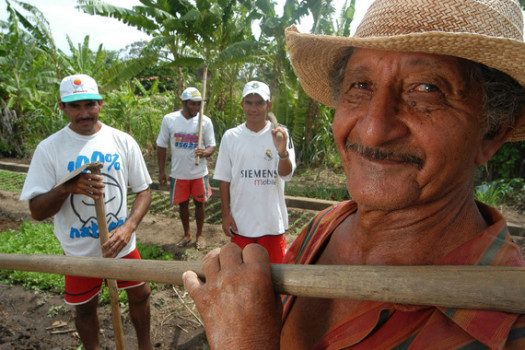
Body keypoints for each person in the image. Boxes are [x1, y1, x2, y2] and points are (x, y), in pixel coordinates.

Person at [182, 0, 525, 348]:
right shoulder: (325, 226)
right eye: (360, 85)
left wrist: (245, 341)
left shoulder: (507, 326)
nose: (374, 131)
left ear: (494, 130)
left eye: (426, 90)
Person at [20, 74, 153, 350]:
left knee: (141, 293)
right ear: (62, 108)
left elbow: (144, 190)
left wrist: (128, 227)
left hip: (121, 244)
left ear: (100, 104)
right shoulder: (49, 149)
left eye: (90, 105)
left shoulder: (122, 141)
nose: (84, 113)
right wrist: (65, 188)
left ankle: (145, 347)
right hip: (79, 248)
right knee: (85, 308)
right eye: (75, 106)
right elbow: (36, 211)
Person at [213, 81, 296, 263]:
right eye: (249, 102)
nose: (253, 108)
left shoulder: (281, 134)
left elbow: (286, 174)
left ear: (268, 105)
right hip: (242, 224)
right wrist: (226, 215)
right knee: (244, 277)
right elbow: (225, 180)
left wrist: (282, 153)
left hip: (272, 223)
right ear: (242, 104)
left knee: (276, 278)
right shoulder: (231, 137)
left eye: (259, 103)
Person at [156, 87, 216, 250]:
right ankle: (187, 233)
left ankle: (199, 235)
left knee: (199, 203)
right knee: (182, 205)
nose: (196, 108)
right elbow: (161, 145)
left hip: (198, 172)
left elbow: (212, 146)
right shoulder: (170, 120)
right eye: (193, 104)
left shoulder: (205, 121)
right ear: (184, 103)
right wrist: (162, 171)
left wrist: (204, 152)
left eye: (199, 104)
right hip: (178, 173)